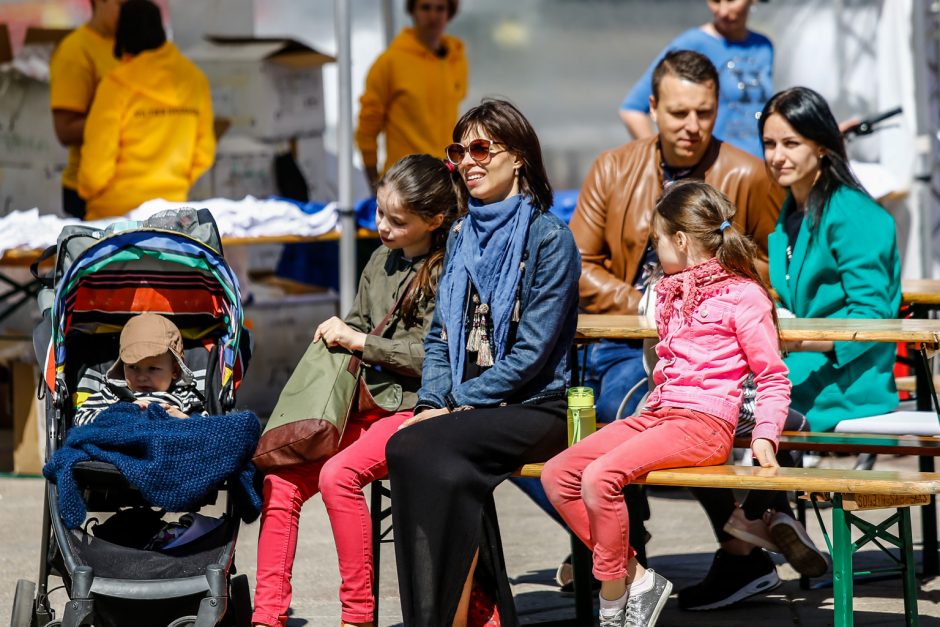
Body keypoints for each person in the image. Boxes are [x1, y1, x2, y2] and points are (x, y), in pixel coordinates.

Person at [679, 85, 901, 611]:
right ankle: (767, 521)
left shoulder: (853, 214)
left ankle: (746, 539)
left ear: (822, 145)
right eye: (770, 143)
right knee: (692, 402)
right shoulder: (792, 211)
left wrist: (791, 336)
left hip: (848, 380)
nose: (777, 156)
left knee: (719, 408)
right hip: (800, 369)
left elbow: (872, 318)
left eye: (791, 143)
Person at [542, 180, 790, 627]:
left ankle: (614, 600)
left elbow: (772, 374)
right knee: (560, 473)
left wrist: (767, 435)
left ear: (680, 239)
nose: (653, 250)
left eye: (656, 239)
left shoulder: (744, 295)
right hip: (659, 414)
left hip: (706, 423)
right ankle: (635, 575)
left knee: (601, 477)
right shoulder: (669, 293)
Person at [384, 98, 581, 627]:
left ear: (517, 157)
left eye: (480, 148)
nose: (467, 161)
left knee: (421, 445)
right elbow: (440, 338)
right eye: (459, 151)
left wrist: (454, 404)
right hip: (471, 407)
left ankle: (447, 616)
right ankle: (464, 614)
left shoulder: (550, 238)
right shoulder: (461, 236)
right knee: (413, 449)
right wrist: (432, 399)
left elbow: (532, 353)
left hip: (538, 406)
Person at [251, 154, 462, 627]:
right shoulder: (379, 260)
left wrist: (363, 341)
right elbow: (360, 325)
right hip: (358, 405)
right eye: (380, 212)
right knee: (280, 483)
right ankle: (267, 617)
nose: (381, 225)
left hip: (414, 409)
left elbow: (438, 358)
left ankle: (357, 617)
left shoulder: (450, 269)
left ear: (435, 220)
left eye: (396, 219)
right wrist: (343, 331)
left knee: (337, 477)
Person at [573, 48, 782, 440]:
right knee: (618, 407)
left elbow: (771, 270)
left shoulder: (750, 174)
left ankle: (744, 504)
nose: (692, 126)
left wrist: (709, 299)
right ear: (652, 107)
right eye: (678, 113)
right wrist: (638, 303)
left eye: (704, 113)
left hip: (715, 348)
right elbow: (578, 263)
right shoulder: (612, 167)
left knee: (676, 413)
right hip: (627, 340)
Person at [77, 0, 215, 221]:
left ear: (123, 35)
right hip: (173, 213)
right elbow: (204, 153)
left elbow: (96, 165)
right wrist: (173, 185)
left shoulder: (115, 85)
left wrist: (87, 190)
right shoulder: (195, 80)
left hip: (115, 216)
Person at [619, 0, 773, 158]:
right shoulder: (692, 43)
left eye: (731, 0)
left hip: (762, 169)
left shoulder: (764, 46)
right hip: (715, 172)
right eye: (715, 1)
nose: (723, 11)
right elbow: (632, 109)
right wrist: (660, 161)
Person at [356, 0, 468, 193]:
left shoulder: (456, 59)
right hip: (405, 182)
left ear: (449, 13)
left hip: (447, 179)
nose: (433, 16)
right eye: (425, 7)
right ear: (412, 11)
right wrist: (375, 186)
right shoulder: (389, 63)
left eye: (440, 8)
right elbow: (367, 128)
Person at [49, 0, 125, 219]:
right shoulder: (76, 51)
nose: (130, 12)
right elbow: (64, 130)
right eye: (122, 5)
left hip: (132, 187)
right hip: (88, 190)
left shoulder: (135, 46)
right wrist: (123, 121)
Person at [73, 313, 203, 426]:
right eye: (133, 367)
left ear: (175, 371)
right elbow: (81, 419)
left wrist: (183, 419)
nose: (141, 377)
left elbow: (206, 427)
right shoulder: (112, 395)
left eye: (152, 368)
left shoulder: (184, 396)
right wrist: (121, 413)